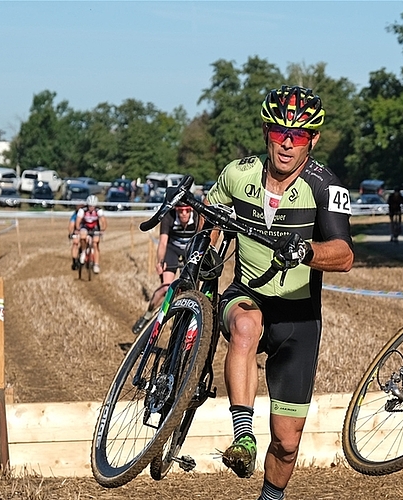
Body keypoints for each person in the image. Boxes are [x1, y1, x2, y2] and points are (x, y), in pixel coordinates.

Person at [205, 85, 353, 500]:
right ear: (267, 131)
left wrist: (305, 249)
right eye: (280, 132)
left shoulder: (325, 186)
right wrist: (206, 251)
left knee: (287, 444)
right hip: (246, 295)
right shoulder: (238, 173)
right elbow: (211, 216)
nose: (288, 143)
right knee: (247, 326)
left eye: (300, 135)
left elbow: (343, 254)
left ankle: (270, 497)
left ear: (314, 140)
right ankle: (243, 437)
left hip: (299, 319)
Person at [132, 193, 202, 334]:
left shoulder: (197, 217)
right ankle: (147, 316)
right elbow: (163, 242)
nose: (183, 214)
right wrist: (160, 261)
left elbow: (202, 240)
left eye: (187, 210)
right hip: (172, 249)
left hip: (190, 251)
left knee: (194, 291)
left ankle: (187, 322)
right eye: (180, 211)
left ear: (191, 210)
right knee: (166, 288)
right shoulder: (168, 217)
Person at [75, 195, 107, 273]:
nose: (91, 208)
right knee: (82, 237)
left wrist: (103, 229)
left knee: (95, 244)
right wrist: (78, 229)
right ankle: (83, 251)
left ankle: (96, 264)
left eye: (93, 206)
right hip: (85, 226)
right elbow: (78, 221)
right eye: (90, 206)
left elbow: (104, 221)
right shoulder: (83, 210)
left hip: (95, 227)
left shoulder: (98, 210)